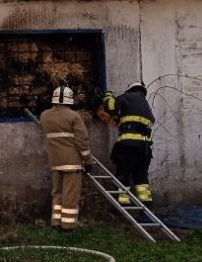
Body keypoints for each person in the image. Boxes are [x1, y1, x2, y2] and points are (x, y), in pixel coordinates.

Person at [40, 86, 92, 230]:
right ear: (70, 100)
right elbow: (82, 141)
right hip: (72, 162)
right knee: (70, 195)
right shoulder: (73, 116)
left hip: (55, 162)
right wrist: (88, 161)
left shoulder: (44, 116)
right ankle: (68, 226)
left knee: (57, 193)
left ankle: (56, 223)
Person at [102, 81, 155, 207]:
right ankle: (146, 207)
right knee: (141, 179)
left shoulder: (128, 97)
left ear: (131, 89)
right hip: (145, 150)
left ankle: (123, 205)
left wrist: (107, 94)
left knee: (123, 175)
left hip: (128, 147)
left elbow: (110, 105)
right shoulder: (145, 106)